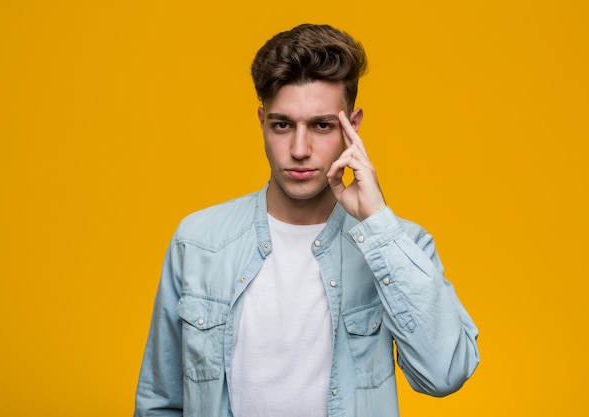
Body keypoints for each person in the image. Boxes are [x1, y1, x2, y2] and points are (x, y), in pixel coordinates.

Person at [134, 23, 479, 417]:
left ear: (353, 127)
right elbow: (160, 403)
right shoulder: (196, 242)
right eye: (283, 125)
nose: (300, 150)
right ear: (262, 122)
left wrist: (379, 223)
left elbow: (445, 373)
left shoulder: (403, 245)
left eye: (322, 125)